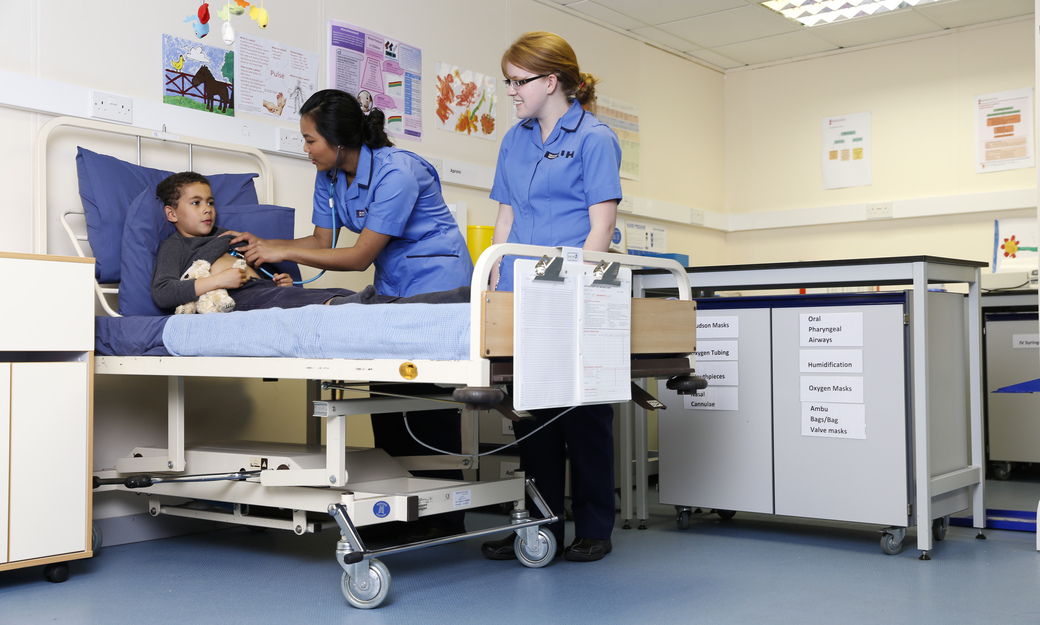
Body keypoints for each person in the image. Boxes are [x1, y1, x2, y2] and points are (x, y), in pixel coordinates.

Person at [230, 89, 474, 538]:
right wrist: (265, 244)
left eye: (309, 141)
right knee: (385, 392)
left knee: (425, 398)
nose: (305, 150)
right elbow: (321, 244)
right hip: (394, 288)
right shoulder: (330, 174)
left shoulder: (398, 172)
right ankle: (403, 509)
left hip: (438, 284)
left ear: (339, 141)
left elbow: (360, 256)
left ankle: (444, 513)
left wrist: (280, 248)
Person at [480, 31, 622, 563]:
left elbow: (600, 228)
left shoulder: (595, 138)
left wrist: (576, 292)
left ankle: (594, 526)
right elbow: (506, 216)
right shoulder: (514, 140)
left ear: (551, 81)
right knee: (532, 416)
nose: (511, 92)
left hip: (576, 284)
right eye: (508, 81)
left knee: (583, 414)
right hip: (521, 287)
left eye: (519, 82)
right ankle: (538, 526)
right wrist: (492, 277)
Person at [151, 171, 381, 313]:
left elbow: (260, 271)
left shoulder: (228, 235)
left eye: (210, 202)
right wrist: (218, 280)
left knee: (338, 292)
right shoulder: (177, 245)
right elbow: (163, 293)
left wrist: (280, 281)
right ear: (171, 214)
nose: (207, 209)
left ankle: (398, 305)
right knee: (325, 302)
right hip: (236, 297)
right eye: (196, 203)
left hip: (263, 289)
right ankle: (357, 309)